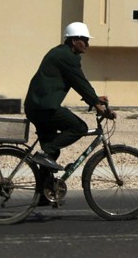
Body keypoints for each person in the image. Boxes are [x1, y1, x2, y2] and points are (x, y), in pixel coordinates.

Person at [24, 21, 112, 170]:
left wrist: (95, 99)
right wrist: (96, 103)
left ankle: (45, 183)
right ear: (74, 40)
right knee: (79, 128)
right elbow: (80, 82)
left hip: (37, 107)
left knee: (52, 154)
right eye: (85, 40)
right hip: (44, 108)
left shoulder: (62, 53)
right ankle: (44, 153)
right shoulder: (65, 56)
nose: (87, 44)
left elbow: (77, 82)